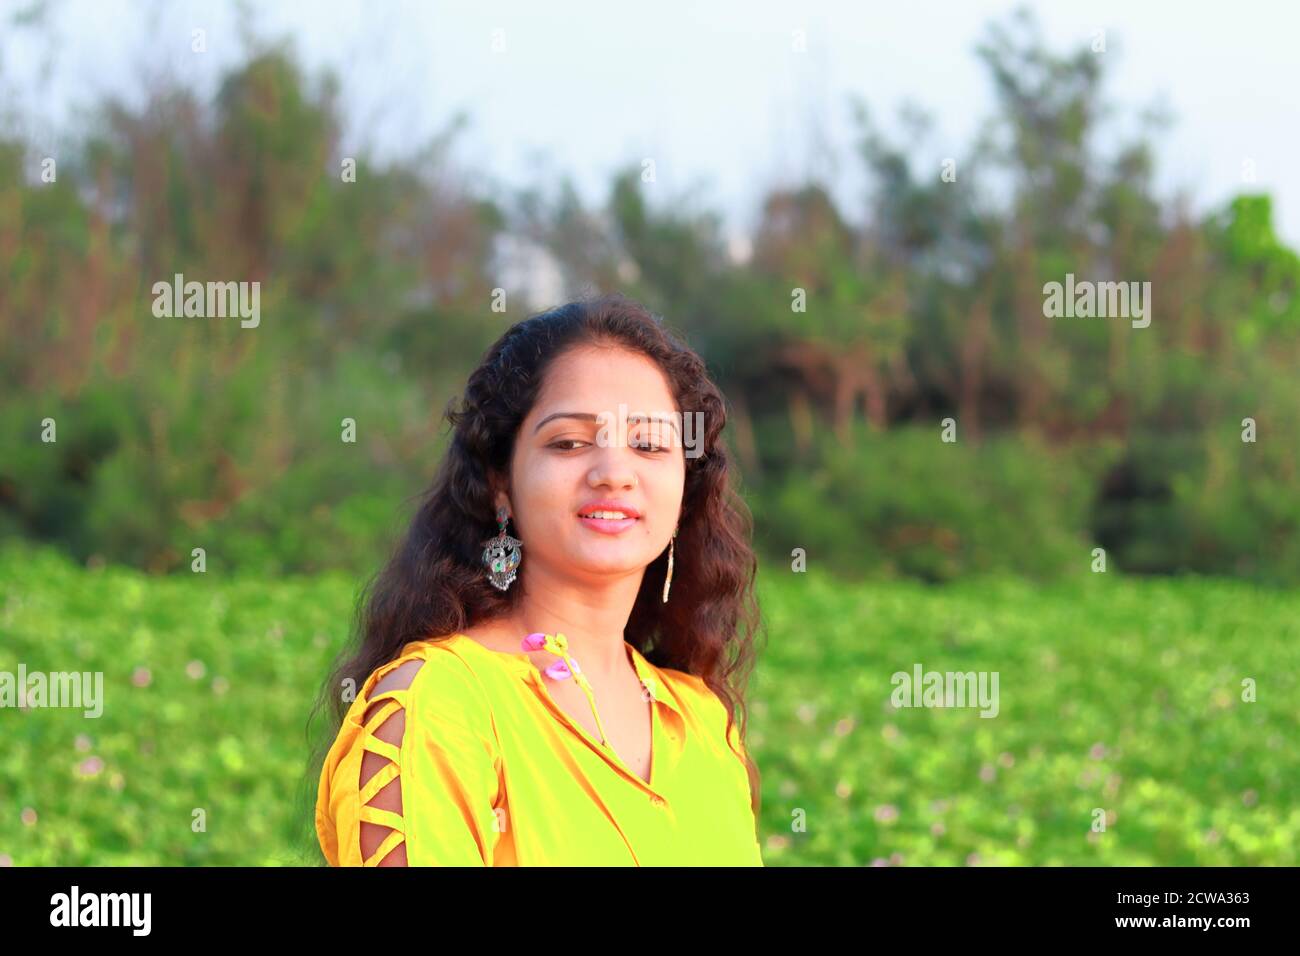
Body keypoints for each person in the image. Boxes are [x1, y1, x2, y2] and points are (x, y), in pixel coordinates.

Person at [311, 292, 764, 865]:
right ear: (501, 482)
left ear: (684, 487)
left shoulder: (702, 720)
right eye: (569, 442)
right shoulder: (439, 704)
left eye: (649, 444)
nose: (614, 473)